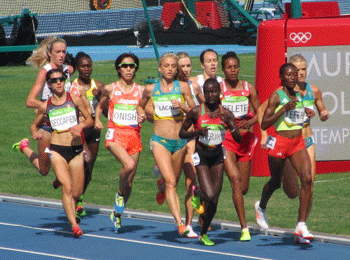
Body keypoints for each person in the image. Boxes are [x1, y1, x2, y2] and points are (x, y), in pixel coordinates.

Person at [255, 63, 315, 243]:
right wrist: (283, 109)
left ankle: (301, 225)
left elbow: (297, 117)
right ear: (282, 77)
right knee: (275, 182)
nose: (292, 77)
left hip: (297, 143)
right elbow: (264, 124)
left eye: (295, 74)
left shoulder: (299, 96)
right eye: (288, 75)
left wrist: (307, 112)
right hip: (280, 143)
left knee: (307, 179)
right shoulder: (276, 96)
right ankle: (261, 206)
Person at [137, 52, 195, 237]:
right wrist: (140, 114)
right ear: (160, 68)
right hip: (159, 140)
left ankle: (161, 186)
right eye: (166, 66)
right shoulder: (150, 89)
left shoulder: (183, 87)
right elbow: (140, 105)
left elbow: (195, 111)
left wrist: (182, 107)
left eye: (173, 66)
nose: (170, 69)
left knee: (173, 182)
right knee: (172, 181)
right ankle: (179, 223)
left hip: (179, 142)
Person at [30, 69, 93, 238]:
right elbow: (34, 125)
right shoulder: (46, 105)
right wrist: (35, 132)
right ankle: (74, 225)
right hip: (57, 149)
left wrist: (80, 126)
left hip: (76, 150)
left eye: (61, 79)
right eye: (54, 80)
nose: (58, 82)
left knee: (77, 193)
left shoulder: (75, 100)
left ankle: (60, 178)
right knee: (67, 187)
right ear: (49, 84)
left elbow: (90, 119)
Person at [179, 78, 242, 246]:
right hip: (202, 156)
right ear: (204, 94)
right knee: (209, 195)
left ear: (219, 93)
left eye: (214, 91)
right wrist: (197, 132)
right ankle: (197, 192)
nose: (211, 95)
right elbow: (182, 133)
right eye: (207, 92)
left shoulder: (226, 113)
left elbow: (238, 139)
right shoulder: (196, 112)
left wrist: (232, 126)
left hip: (217, 156)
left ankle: (204, 232)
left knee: (214, 200)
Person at [94, 53, 144, 233]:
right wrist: (97, 120)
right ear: (118, 69)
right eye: (125, 66)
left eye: (132, 66)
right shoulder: (111, 88)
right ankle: (119, 195)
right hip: (115, 134)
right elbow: (100, 105)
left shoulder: (140, 90)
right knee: (128, 165)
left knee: (129, 182)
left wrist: (145, 115)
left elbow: (147, 109)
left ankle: (117, 214)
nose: (128, 69)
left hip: (134, 136)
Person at [12, 37, 73, 179]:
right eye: (58, 52)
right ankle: (24, 147)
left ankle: (62, 181)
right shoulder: (44, 72)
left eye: (64, 52)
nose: (61, 55)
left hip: (66, 124)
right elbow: (30, 101)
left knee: (73, 162)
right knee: (44, 170)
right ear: (50, 53)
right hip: (46, 126)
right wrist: (46, 106)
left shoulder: (67, 71)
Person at [220, 51, 260, 241]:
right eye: (229, 67)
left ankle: (240, 198)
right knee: (235, 180)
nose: (233, 70)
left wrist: (250, 123)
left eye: (235, 67)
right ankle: (244, 228)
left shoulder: (248, 88)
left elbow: (260, 113)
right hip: (226, 139)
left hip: (244, 141)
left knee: (243, 188)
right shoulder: (219, 89)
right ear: (223, 70)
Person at [69, 52, 105, 216]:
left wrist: (101, 98)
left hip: (94, 130)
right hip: (78, 129)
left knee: (89, 168)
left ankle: (79, 198)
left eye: (89, 65)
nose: (87, 69)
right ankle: (75, 199)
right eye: (83, 66)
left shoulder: (98, 86)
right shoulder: (71, 86)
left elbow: (107, 114)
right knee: (83, 162)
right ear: (77, 68)